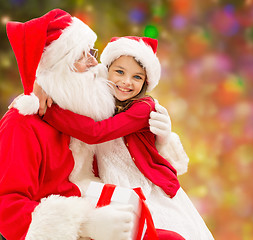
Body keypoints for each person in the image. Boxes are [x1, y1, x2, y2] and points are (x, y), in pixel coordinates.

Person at [0, 9, 186, 240]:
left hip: (109, 206)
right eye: (82, 55)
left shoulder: (83, 112)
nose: (94, 63)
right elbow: (7, 209)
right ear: (59, 65)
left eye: (92, 52)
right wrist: (84, 226)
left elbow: (122, 149)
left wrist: (163, 140)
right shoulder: (22, 123)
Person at [37, 36, 214, 240]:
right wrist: (45, 88)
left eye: (137, 77)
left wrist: (49, 111)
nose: (126, 82)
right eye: (119, 72)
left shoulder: (143, 108)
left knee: (165, 231)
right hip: (114, 187)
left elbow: (97, 133)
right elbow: (74, 93)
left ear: (145, 83)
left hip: (147, 187)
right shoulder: (100, 99)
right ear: (106, 70)